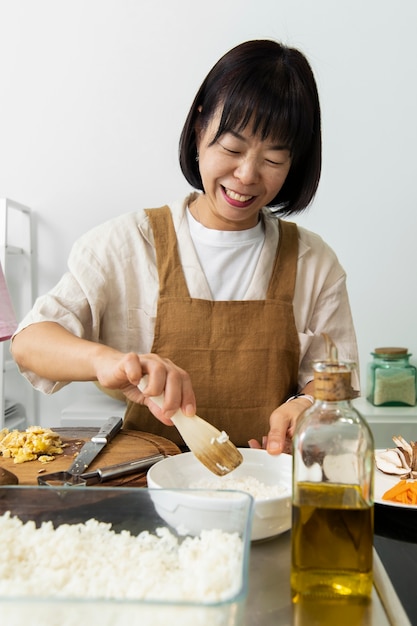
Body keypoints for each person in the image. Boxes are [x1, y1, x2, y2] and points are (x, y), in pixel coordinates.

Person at [11, 39, 359, 454]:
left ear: (295, 162)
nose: (247, 175)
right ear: (199, 129)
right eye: (232, 148)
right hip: (144, 484)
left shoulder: (313, 262)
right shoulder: (129, 243)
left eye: (273, 160)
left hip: (267, 483)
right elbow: (29, 343)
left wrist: (306, 405)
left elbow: (335, 381)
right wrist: (106, 362)